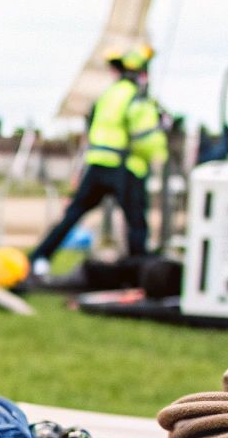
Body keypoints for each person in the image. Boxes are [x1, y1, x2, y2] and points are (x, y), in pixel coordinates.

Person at [30, 46, 168, 276]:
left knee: (72, 216)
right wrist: (159, 149)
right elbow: (145, 138)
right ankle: (138, 273)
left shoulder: (108, 94)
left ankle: (39, 258)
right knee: (136, 223)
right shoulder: (137, 97)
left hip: (97, 164)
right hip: (126, 167)